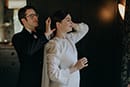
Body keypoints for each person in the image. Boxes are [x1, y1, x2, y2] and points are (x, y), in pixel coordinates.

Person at [41, 10, 89, 87]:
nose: (71, 22)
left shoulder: (69, 39)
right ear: (58, 24)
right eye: (68, 20)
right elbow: (53, 74)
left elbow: (85, 29)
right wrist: (75, 67)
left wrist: (72, 24)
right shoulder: (54, 44)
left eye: (71, 20)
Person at [12, 6, 55, 87]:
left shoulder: (43, 33)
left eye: (36, 15)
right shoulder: (18, 37)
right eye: (31, 16)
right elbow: (29, 51)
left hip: (46, 77)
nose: (35, 17)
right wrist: (46, 35)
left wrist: (48, 35)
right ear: (23, 20)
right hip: (29, 80)